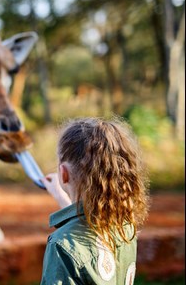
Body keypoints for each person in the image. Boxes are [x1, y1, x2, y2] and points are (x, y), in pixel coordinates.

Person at [39, 117, 149, 284]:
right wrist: (61, 195)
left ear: (63, 173)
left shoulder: (62, 245)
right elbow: (87, 224)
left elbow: (78, 235)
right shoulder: (124, 225)